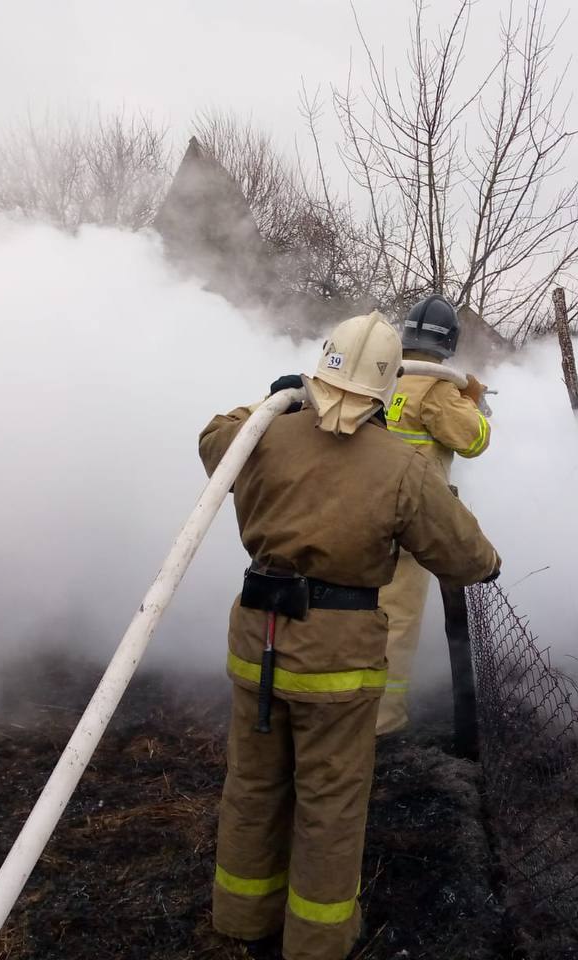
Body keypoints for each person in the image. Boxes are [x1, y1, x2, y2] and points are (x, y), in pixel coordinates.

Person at [199, 311, 500, 960]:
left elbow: (213, 439)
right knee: (330, 806)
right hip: (338, 664)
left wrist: (271, 402)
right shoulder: (400, 466)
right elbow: (466, 557)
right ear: (388, 386)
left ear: (319, 367)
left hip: (257, 647)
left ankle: (241, 918)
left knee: (252, 786)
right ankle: (317, 940)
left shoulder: (264, 438)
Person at [376, 295, 492, 735]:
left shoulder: (383, 375)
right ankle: (381, 723)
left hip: (359, 514)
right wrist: (475, 401)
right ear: (449, 343)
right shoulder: (438, 389)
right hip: (408, 528)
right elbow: (474, 441)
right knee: (395, 624)